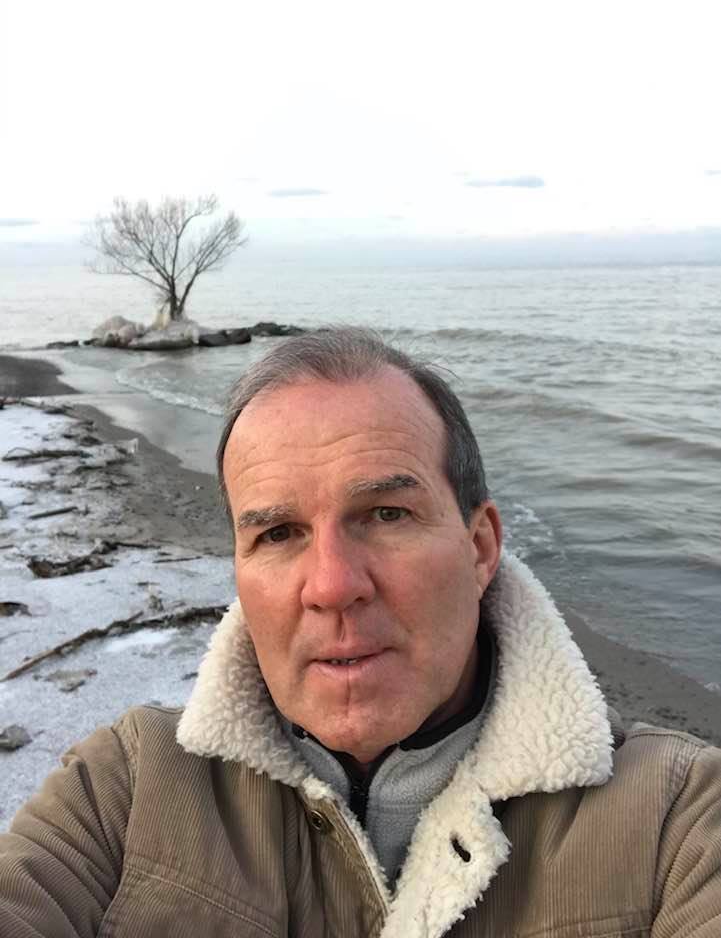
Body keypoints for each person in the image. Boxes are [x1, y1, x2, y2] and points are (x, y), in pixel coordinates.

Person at [1, 327, 720, 938]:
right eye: (278, 533)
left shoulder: (675, 820)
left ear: (479, 548)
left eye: (385, 514)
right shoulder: (125, 789)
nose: (332, 585)